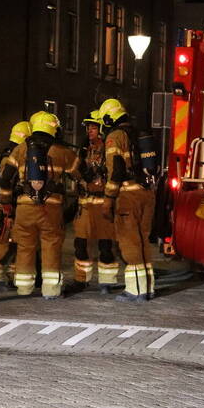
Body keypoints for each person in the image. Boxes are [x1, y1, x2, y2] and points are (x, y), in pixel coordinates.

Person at [0, 111, 80, 299]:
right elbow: (81, 174)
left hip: (24, 208)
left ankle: (24, 287)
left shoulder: (20, 149)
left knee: (25, 247)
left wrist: (6, 203)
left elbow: (5, 179)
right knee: (51, 246)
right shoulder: (62, 151)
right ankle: (51, 290)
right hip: (51, 208)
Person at [100, 98, 156, 302]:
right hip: (147, 193)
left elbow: (116, 170)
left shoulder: (115, 137)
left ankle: (135, 290)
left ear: (108, 118)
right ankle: (148, 287)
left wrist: (108, 198)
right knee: (143, 241)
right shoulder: (137, 133)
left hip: (128, 196)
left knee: (129, 242)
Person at [66, 110, 120, 295]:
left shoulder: (109, 148)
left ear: (102, 129)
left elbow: (115, 173)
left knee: (106, 245)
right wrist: (81, 172)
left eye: (93, 127)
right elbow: (72, 171)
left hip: (103, 203)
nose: (89, 130)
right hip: (85, 204)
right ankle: (81, 279)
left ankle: (107, 281)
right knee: (80, 244)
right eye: (88, 127)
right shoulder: (84, 149)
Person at [0, 120, 32, 290]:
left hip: (12, 207)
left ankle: (13, 276)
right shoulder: (10, 158)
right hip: (7, 207)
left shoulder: (10, 154)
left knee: (16, 243)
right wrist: (7, 209)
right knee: (4, 243)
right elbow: (6, 184)